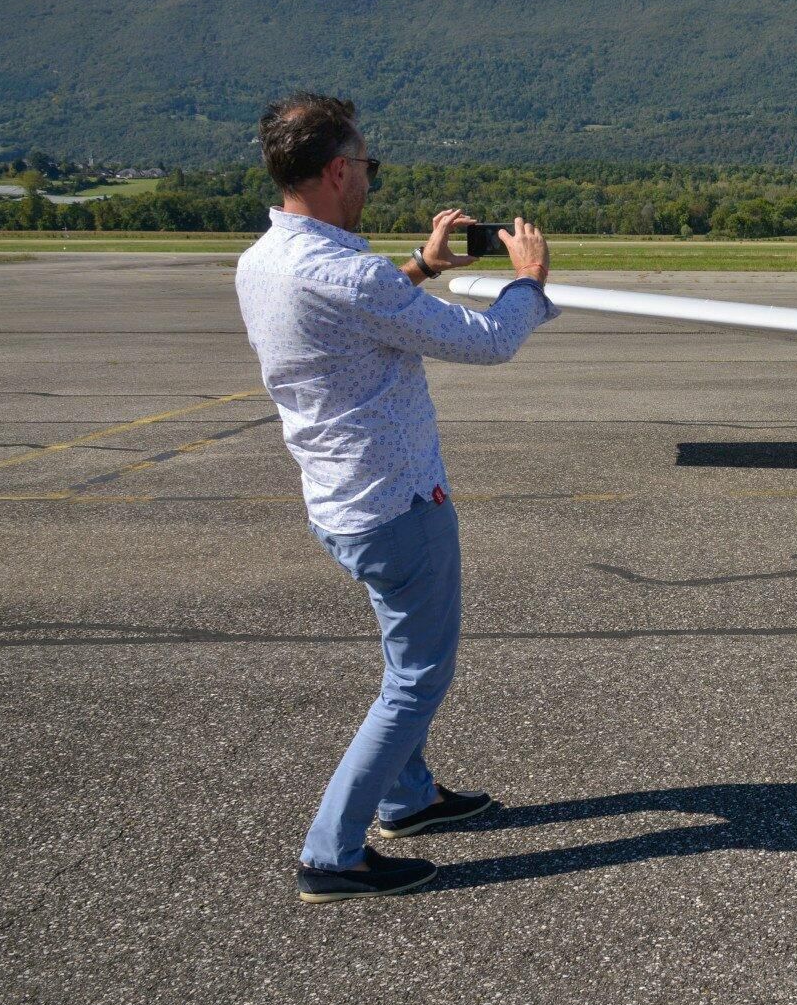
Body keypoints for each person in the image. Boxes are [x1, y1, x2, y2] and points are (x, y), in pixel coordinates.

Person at [234, 92, 558, 903]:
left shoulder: (265, 259)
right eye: (369, 166)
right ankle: (331, 854)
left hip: (338, 499)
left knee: (400, 658)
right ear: (339, 170)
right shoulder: (345, 271)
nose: (370, 179)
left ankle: (408, 800)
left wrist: (423, 265)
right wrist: (527, 283)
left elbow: (357, 313)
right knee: (417, 679)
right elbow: (487, 343)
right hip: (396, 504)